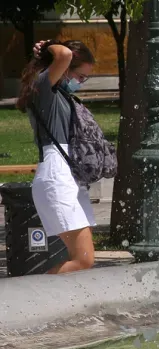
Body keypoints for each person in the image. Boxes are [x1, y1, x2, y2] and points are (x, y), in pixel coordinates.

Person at [16, 40, 97, 274]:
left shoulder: (59, 94)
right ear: (64, 69)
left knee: (83, 259)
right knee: (83, 260)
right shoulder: (44, 89)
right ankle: (31, 301)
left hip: (68, 177)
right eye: (79, 77)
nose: (80, 83)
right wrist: (49, 45)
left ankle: (64, 304)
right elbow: (63, 54)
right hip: (56, 175)